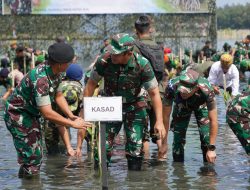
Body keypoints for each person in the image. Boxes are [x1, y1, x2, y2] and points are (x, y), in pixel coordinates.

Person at [4, 42, 91, 178]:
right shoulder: (41, 79)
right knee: (32, 158)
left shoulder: (58, 73)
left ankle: (29, 181)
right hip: (17, 114)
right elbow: (47, 113)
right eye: (69, 62)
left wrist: (70, 115)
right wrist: (72, 124)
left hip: (31, 114)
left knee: (36, 156)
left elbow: (58, 95)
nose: (71, 64)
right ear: (60, 63)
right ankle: (30, 185)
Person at [84, 33, 166, 170]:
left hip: (135, 105)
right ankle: (100, 181)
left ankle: (134, 182)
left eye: (117, 54)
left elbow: (155, 93)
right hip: (110, 105)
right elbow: (90, 85)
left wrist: (159, 121)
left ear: (128, 53)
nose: (113, 56)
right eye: (112, 52)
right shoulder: (104, 61)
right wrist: (86, 112)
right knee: (102, 148)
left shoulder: (142, 64)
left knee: (135, 149)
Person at [163, 69, 218, 163]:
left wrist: (212, 148)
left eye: (186, 91)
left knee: (206, 140)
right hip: (181, 105)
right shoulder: (172, 86)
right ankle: (178, 172)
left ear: (196, 88)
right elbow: (165, 116)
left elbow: (214, 120)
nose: (183, 93)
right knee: (178, 140)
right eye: (181, 90)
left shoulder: (207, 89)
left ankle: (208, 172)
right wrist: (163, 143)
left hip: (201, 105)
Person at [133, 15, 167, 159]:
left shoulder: (135, 46)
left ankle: (145, 167)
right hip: (159, 91)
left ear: (136, 30)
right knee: (158, 127)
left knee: (143, 134)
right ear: (150, 29)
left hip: (142, 92)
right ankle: (162, 162)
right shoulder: (159, 47)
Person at [45, 63, 86, 157]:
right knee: (88, 132)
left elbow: (59, 122)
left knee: (53, 151)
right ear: (80, 78)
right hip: (65, 114)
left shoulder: (58, 86)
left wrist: (69, 147)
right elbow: (83, 123)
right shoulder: (82, 90)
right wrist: (79, 147)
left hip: (54, 115)